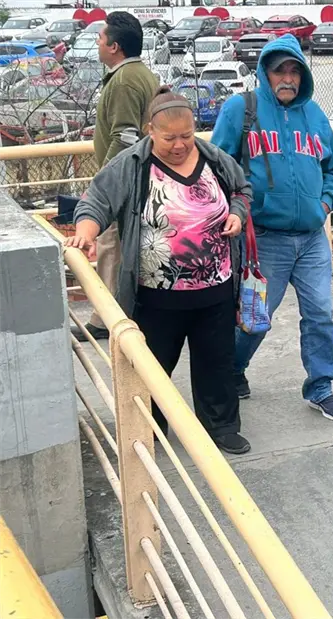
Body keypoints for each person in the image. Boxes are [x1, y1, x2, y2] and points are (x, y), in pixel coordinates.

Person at [65, 88, 254, 455]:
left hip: (215, 289)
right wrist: (85, 233)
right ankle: (149, 429)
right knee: (152, 369)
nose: (180, 145)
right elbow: (97, 202)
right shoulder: (131, 165)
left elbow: (242, 190)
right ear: (150, 130)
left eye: (187, 136)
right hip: (156, 297)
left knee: (216, 363)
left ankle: (222, 425)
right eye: (170, 138)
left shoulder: (214, 159)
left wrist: (236, 213)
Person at [211, 34, 333, 421]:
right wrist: (240, 212)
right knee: (255, 321)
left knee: (320, 313)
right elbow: (219, 168)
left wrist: (324, 204)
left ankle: (321, 386)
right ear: (265, 73)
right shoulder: (242, 110)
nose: (287, 78)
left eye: (294, 71)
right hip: (263, 240)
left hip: (310, 239)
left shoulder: (315, 115)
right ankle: (234, 370)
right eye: (279, 71)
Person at [71, 12, 158, 342]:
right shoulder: (140, 75)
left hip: (124, 184)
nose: (97, 42)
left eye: (101, 38)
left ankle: (105, 317)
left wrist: (103, 185)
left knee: (109, 248)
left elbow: (125, 137)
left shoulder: (123, 82)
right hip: (140, 180)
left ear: (115, 46)